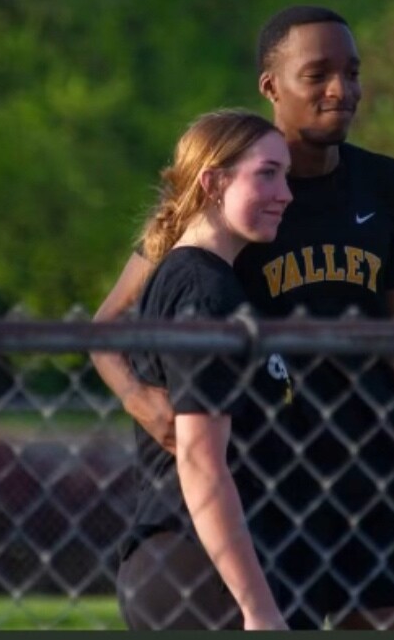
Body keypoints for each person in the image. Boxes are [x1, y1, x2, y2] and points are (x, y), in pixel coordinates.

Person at [92, 6, 394, 630]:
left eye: (352, 72)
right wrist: (143, 401)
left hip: (369, 479)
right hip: (270, 489)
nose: (341, 89)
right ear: (271, 86)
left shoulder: (382, 185)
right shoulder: (237, 194)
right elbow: (107, 326)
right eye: (317, 74)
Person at [114, 109, 293, 631]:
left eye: (286, 175)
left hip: (200, 568)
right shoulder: (203, 291)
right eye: (267, 174)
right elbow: (200, 462)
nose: (286, 193)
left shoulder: (208, 280)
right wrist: (258, 610)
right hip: (195, 572)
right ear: (213, 183)